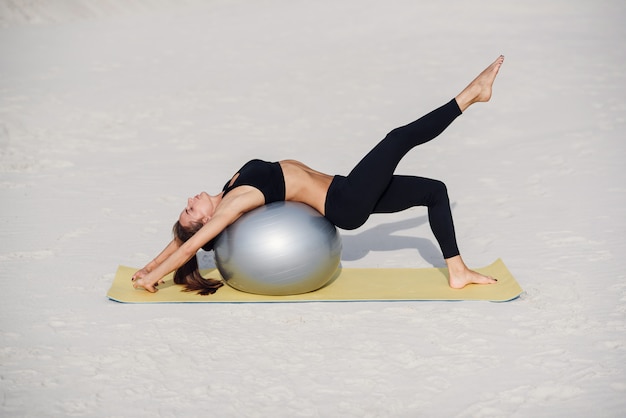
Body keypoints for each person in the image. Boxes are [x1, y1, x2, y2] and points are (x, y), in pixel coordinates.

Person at [132, 55, 505, 295]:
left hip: (345, 188)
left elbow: (182, 238)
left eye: (185, 209)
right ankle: (471, 95)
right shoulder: (234, 204)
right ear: (208, 220)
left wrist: (149, 266)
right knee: (398, 138)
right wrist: (154, 279)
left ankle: (458, 271)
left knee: (435, 191)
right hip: (346, 203)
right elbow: (191, 245)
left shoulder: (227, 189)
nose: (188, 203)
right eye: (190, 212)